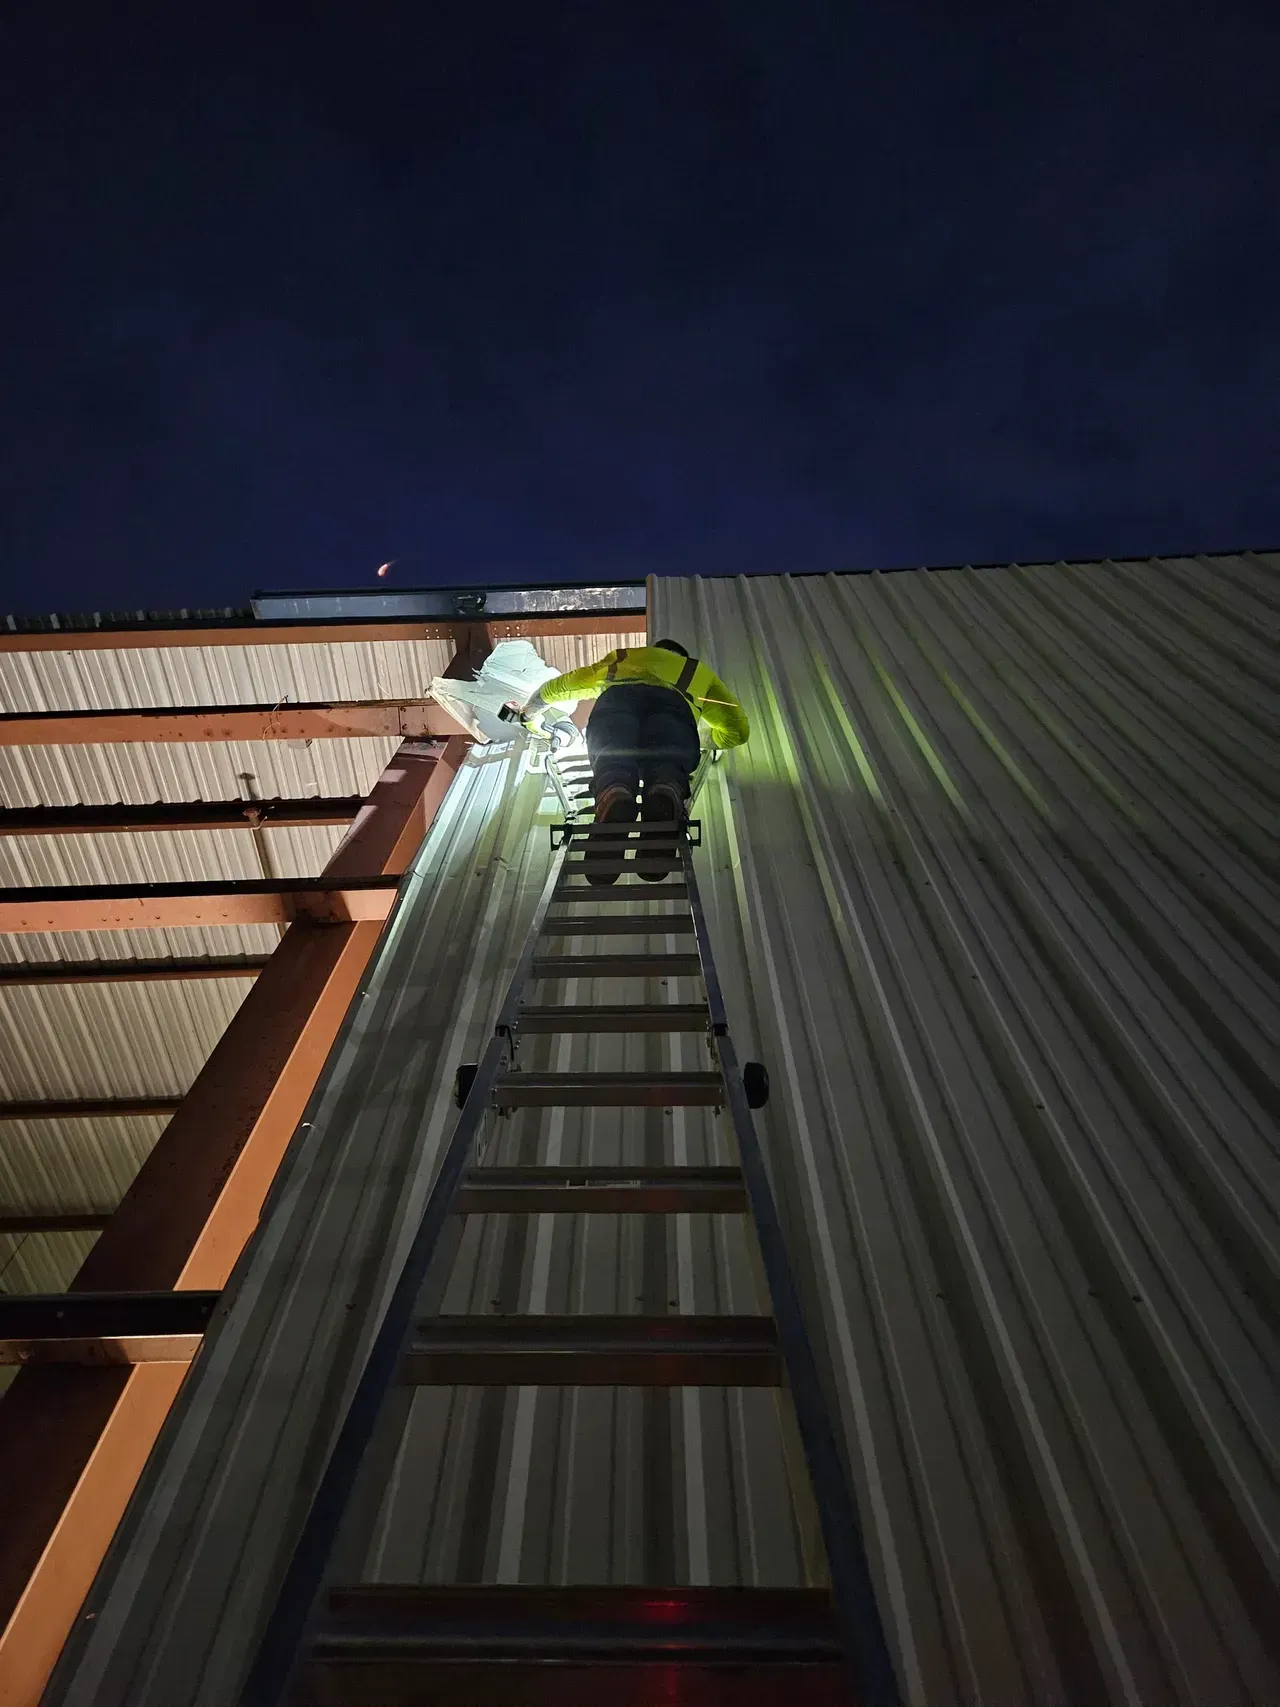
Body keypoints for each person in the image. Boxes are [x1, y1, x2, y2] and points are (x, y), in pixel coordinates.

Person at [525, 639, 749, 883]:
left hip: (616, 702)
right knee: (667, 767)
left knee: (613, 762)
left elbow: (564, 685)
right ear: (681, 656)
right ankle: (665, 792)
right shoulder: (695, 671)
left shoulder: (624, 658)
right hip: (672, 708)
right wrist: (701, 737)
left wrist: (528, 713)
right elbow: (736, 731)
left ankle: (615, 793)